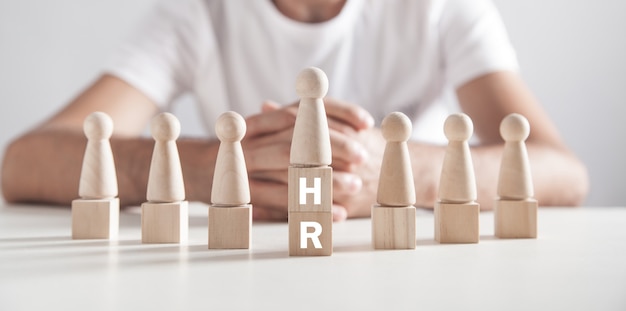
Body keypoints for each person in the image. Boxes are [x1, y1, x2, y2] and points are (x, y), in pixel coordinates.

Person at [1, 0, 588, 221]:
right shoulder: (199, 14)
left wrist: (394, 170)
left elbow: (563, 173)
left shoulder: (442, 8)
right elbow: (23, 161)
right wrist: (205, 167)